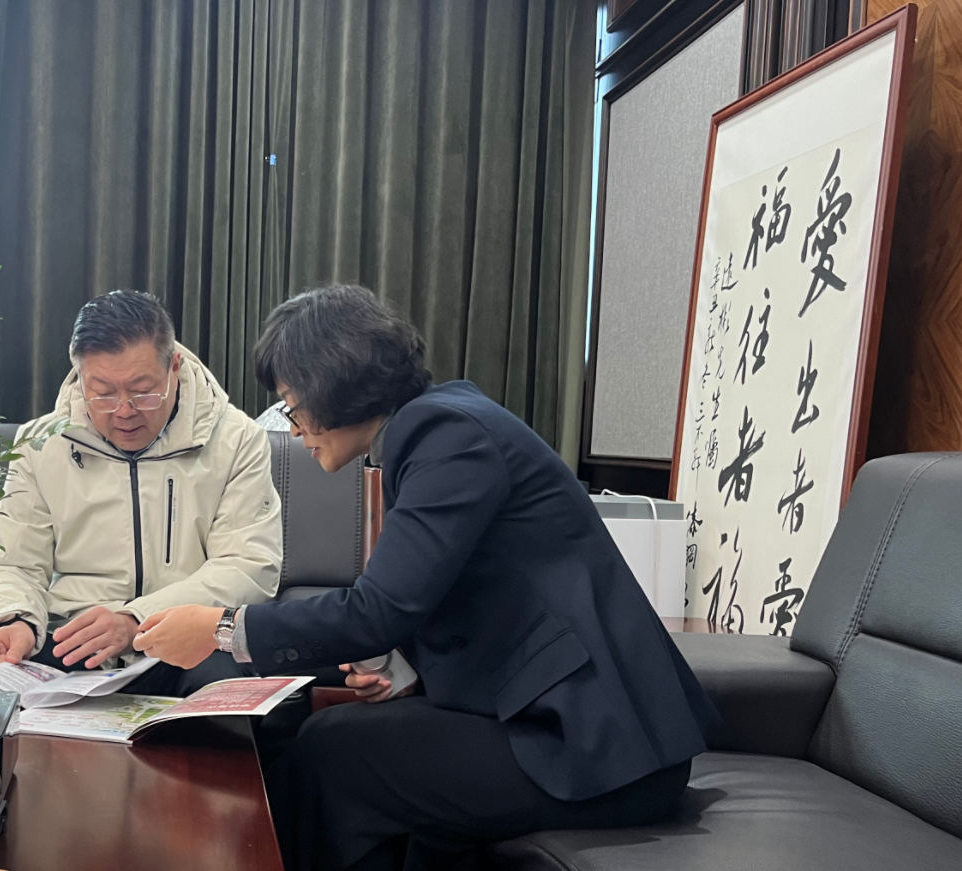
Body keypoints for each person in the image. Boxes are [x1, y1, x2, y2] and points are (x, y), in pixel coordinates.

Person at [133, 285, 720, 870]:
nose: (292, 428)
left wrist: (222, 628)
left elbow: (378, 610)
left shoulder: (445, 436)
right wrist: (407, 670)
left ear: (335, 384)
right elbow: (448, 593)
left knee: (332, 751)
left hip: (598, 750)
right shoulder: (443, 424)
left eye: (292, 402)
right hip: (553, 721)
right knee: (339, 742)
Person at [0, 290, 283, 697]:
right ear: (79, 376)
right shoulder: (40, 444)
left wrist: (137, 618)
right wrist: (12, 619)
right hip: (76, 636)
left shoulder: (236, 439)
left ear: (174, 366)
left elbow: (246, 565)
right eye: (102, 392)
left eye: (142, 390)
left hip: (189, 636)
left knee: (221, 692)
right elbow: (11, 562)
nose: (124, 411)